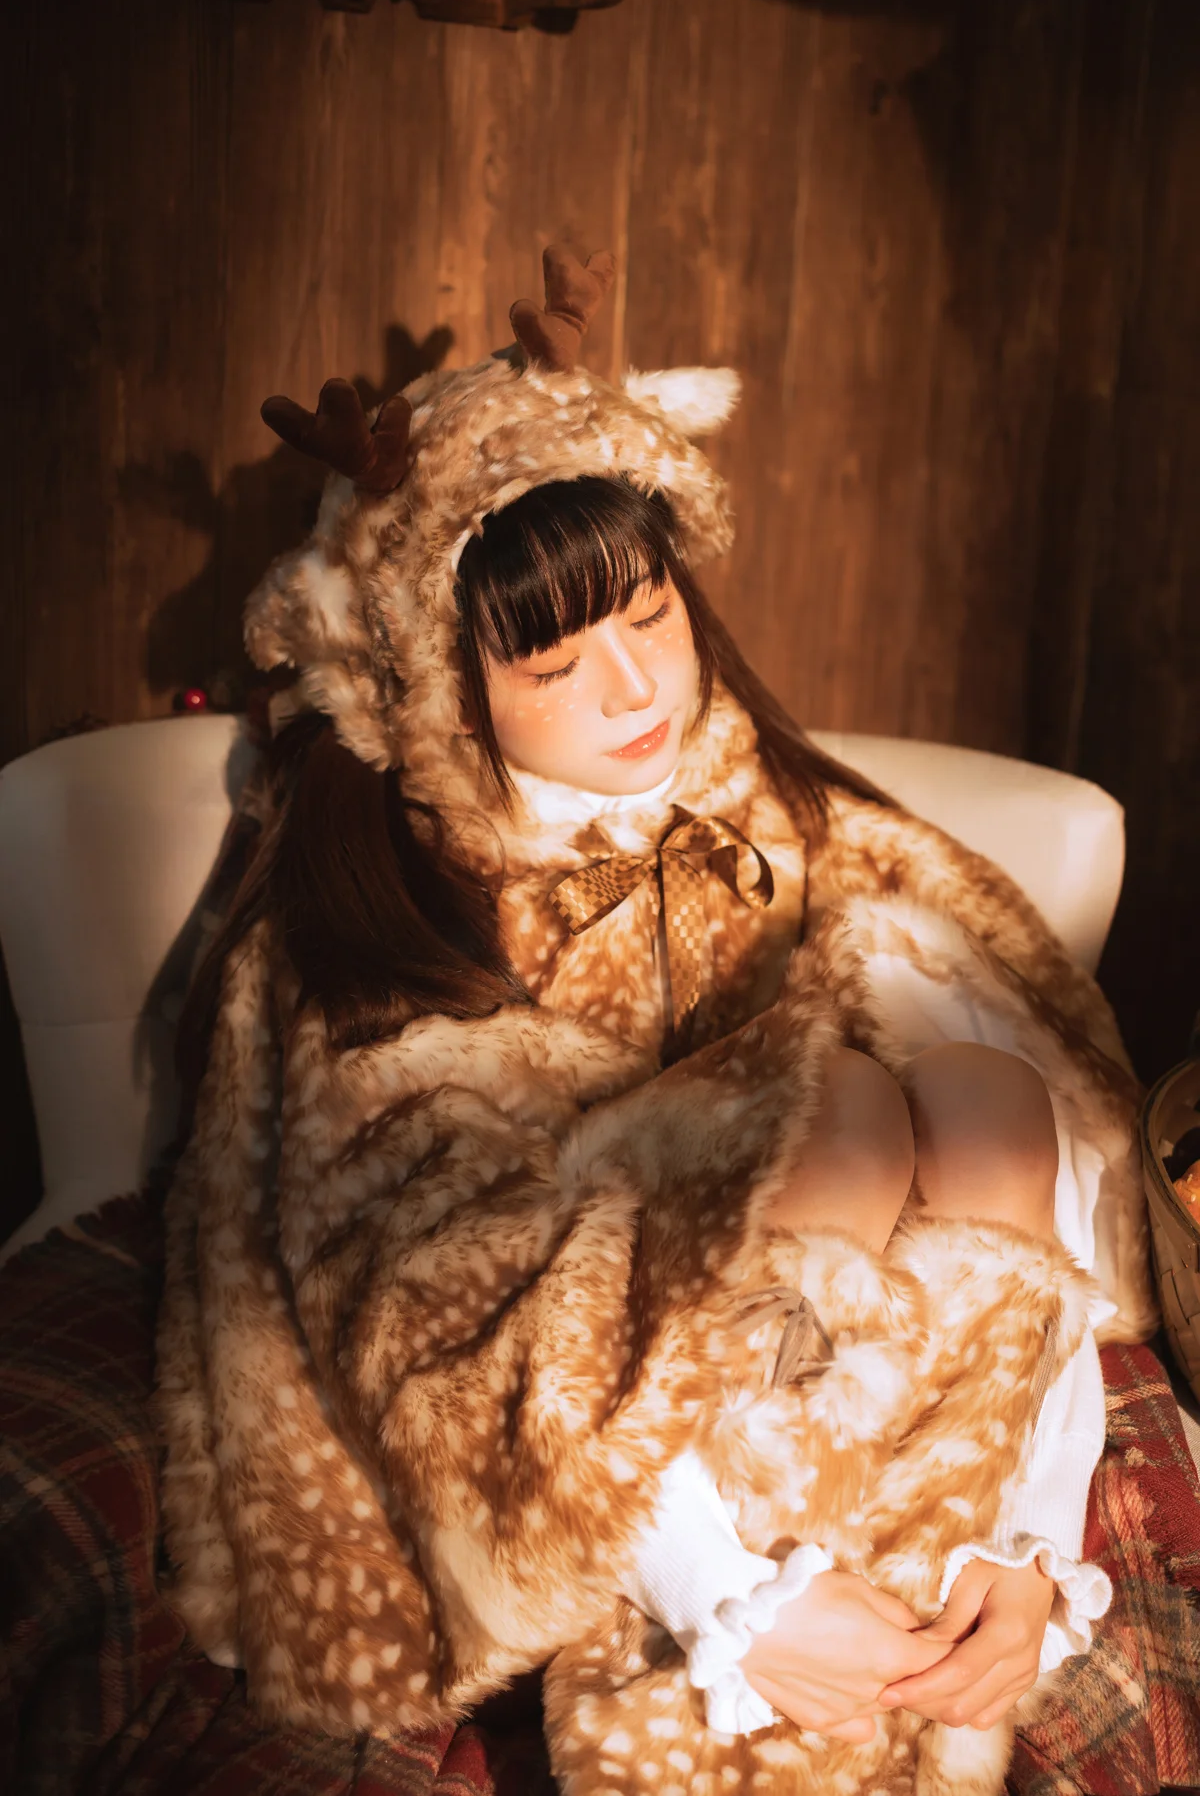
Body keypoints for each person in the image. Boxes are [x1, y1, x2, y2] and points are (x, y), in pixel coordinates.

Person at [158, 248, 1154, 1793]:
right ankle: (747, 1679)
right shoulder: (384, 918)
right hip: (599, 1471)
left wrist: (1029, 1545)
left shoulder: (764, 809)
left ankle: (939, 1633)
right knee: (837, 1111)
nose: (634, 690)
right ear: (449, 691)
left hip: (878, 1436)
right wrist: (734, 1597)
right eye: (557, 662)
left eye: (650, 613)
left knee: (986, 1094)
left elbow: (1042, 1218)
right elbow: (422, 1322)